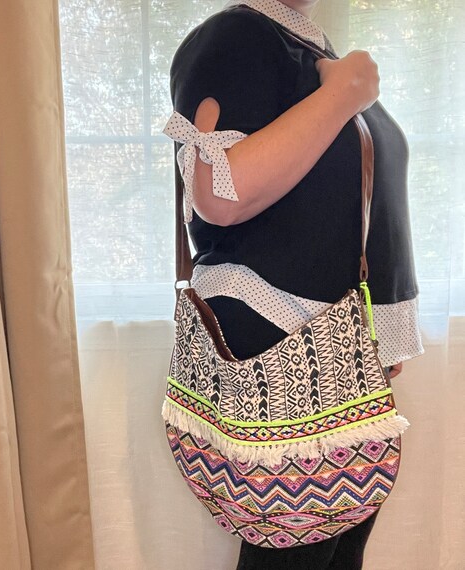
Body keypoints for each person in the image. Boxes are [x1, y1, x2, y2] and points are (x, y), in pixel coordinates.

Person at [163, 1, 424, 568]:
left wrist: (380, 327)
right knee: (299, 548)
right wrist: (345, 92)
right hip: (283, 334)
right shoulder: (235, 36)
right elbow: (220, 197)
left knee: (335, 547)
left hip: (336, 340)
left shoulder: (310, 47)